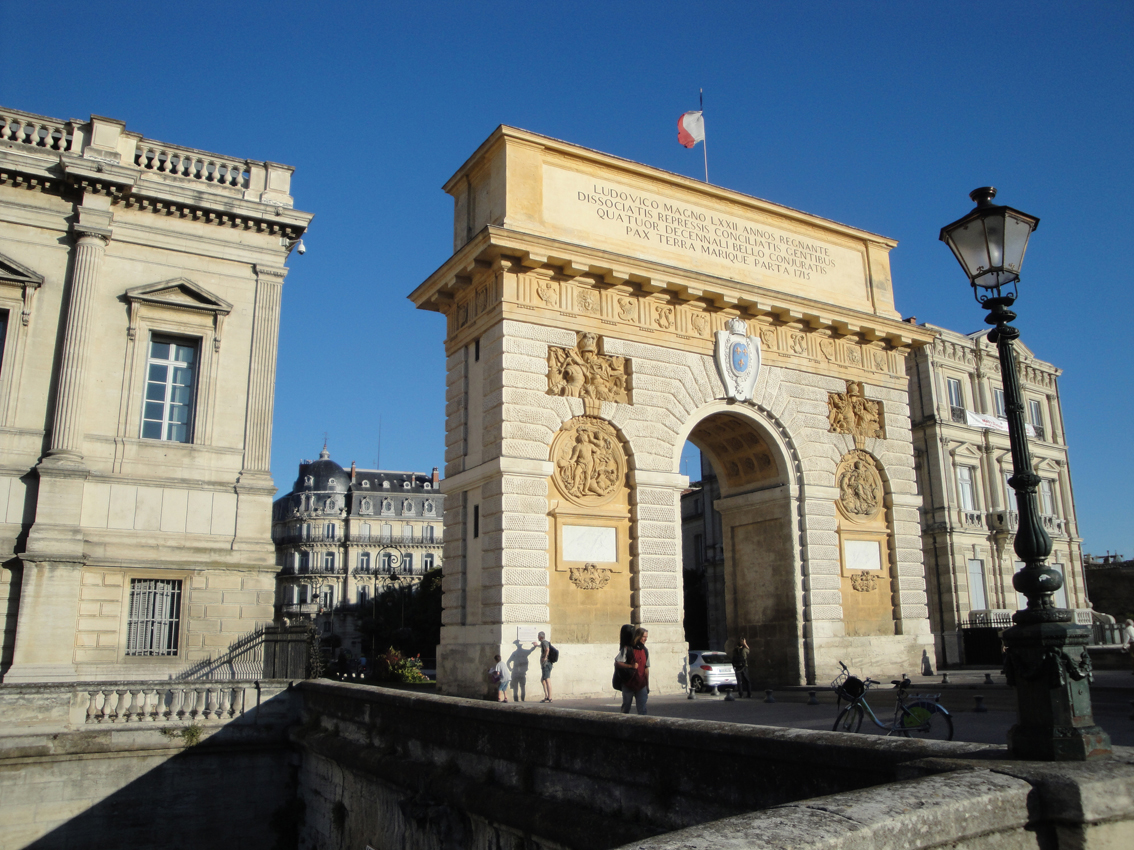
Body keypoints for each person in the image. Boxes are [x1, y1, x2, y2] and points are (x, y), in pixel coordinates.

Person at [615, 627, 650, 715]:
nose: (645, 639)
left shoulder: (645, 650)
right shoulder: (627, 649)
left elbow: (646, 668)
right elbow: (617, 663)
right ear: (638, 637)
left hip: (641, 684)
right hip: (628, 683)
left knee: (642, 709)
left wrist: (647, 685)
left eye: (646, 637)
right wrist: (631, 666)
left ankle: (643, 727)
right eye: (644, 637)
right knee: (626, 707)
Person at [534, 631, 553, 702]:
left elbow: (547, 649)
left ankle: (550, 697)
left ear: (540, 637)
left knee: (547, 680)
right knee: (543, 680)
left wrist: (545, 657)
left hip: (546, 664)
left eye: (538, 636)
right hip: (546, 664)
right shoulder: (543, 643)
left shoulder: (544, 642)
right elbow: (544, 647)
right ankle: (546, 696)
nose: (537, 637)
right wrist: (537, 645)